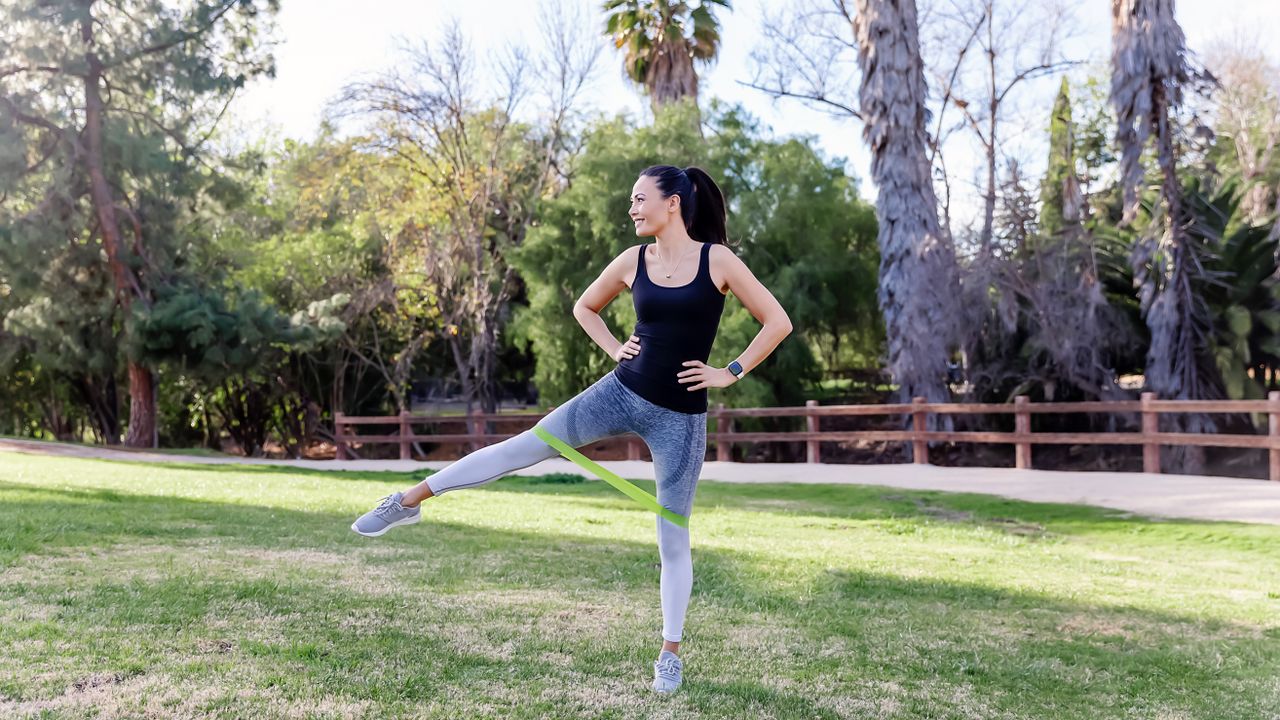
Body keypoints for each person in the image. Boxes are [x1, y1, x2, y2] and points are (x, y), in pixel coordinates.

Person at [351, 164, 793, 693]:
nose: (631, 208)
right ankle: (407, 501)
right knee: (524, 447)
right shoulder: (633, 260)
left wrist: (729, 372)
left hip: (681, 417)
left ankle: (669, 653)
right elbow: (585, 306)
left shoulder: (716, 260)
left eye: (638, 199)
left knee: (672, 536)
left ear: (672, 202)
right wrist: (613, 347)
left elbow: (777, 321)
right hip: (619, 391)